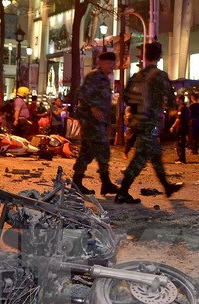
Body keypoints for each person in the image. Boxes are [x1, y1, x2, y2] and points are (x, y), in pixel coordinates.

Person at [115, 42, 181, 204]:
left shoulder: (136, 76)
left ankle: (167, 186)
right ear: (159, 57)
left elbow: (126, 98)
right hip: (151, 122)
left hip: (138, 122)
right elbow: (171, 100)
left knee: (155, 155)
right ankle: (122, 192)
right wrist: (171, 108)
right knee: (140, 158)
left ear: (144, 57)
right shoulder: (159, 75)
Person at [72, 51, 120, 196]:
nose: (112, 66)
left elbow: (106, 102)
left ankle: (80, 182)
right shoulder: (94, 76)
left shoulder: (106, 79)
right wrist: (93, 107)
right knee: (99, 150)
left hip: (100, 121)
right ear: (101, 62)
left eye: (113, 63)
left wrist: (108, 123)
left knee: (91, 151)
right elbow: (82, 94)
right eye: (109, 63)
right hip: (90, 120)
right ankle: (102, 183)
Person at [171, 95, 189, 164]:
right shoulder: (186, 108)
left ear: (180, 99)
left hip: (181, 127)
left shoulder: (181, 108)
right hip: (184, 127)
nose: (176, 100)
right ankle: (181, 158)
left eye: (177, 99)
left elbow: (179, 118)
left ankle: (182, 159)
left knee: (180, 143)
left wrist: (173, 126)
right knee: (181, 143)